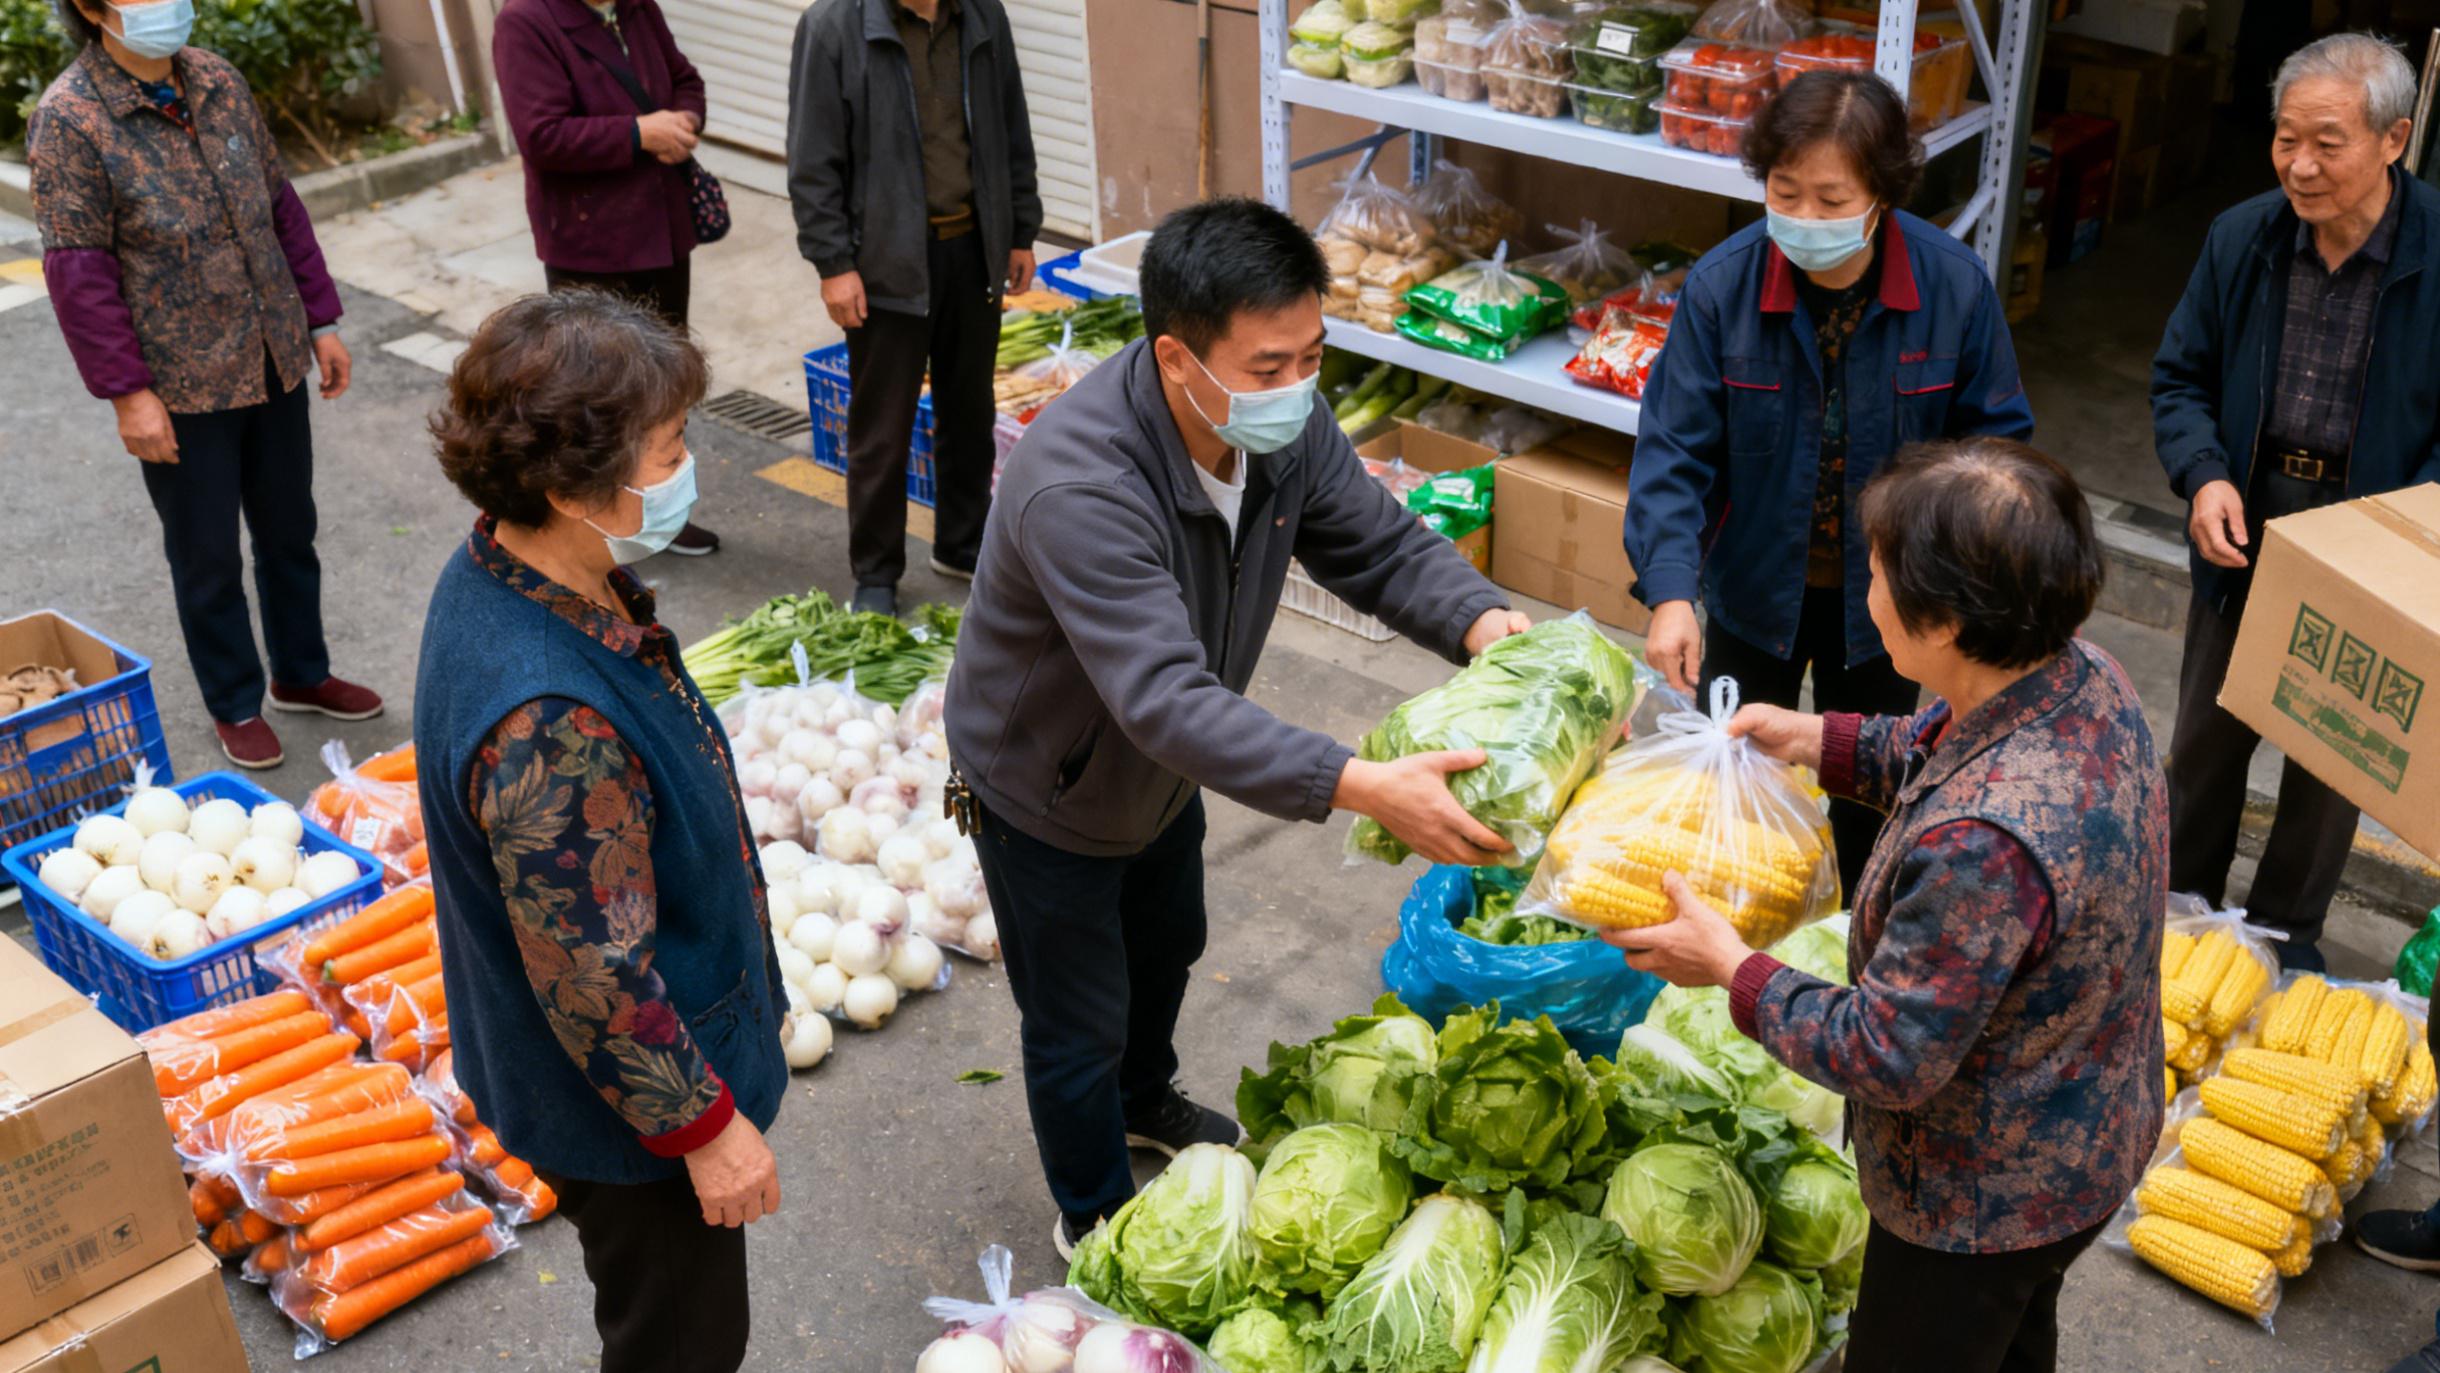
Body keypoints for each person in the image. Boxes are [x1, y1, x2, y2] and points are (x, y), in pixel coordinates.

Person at [945, 197, 1531, 1254]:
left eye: (1311, 355)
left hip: (1167, 764)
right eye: (1268, 367)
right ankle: (1092, 1214)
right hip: (1052, 783)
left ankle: (1145, 1093)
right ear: (1177, 356)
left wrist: (1486, 625)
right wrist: (1360, 781)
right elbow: (1164, 697)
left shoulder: (1280, 425)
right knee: (1074, 1018)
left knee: (1168, 943)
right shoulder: (1081, 482)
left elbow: (1381, 546)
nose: (1297, 388)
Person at [1606, 439, 2165, 1373]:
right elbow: (1939, 747)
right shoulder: (2079, 674)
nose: (1865, 592)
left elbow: (1884, 1052)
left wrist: (1731, 966)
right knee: (2015, 1335)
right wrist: (1811, 736)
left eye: (1873, 575)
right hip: (2090, 1135)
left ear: (1942, 620)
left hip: (1982, 1198)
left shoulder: (1984, 845)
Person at [417, 292, 786, 1373]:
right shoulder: (550, 724)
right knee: (679, 1338)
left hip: (590, 1077)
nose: (685, 464)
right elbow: (593, 973)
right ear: (568, 484)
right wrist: (704, 1132)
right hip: (628, 1124)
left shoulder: (507, 562)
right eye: (668, 447)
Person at [1625, 70, 2033, 899]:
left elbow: (1997, 451)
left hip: (1886, 612)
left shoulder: (1953, 288)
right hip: (1749, 595)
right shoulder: (1722, 288)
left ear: (1882, 194)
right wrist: (1670, 591)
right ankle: (1729, 962)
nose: (1803, 219)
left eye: (1830, 198)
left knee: (1870, 798)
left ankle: (1853, 954)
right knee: (1729, 794)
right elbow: (1673, 451)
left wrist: (1964, 593)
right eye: (1785, 193)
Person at [2153, 32, 2440, 977]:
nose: (2300, 166)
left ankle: (2283, 945)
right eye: (2285, 140)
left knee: (2336, 765)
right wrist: (2205, 475)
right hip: (2248, 514)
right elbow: (2181, 376)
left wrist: (2398, 540)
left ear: (2394, 139)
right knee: (2203, 743)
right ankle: (2177, 920)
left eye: (2328, 142)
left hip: (2372, 537)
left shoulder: (2438, 257)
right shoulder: (2244, 236)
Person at [30, 0, 382, 769]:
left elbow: (278, 204)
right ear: (91, 8)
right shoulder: (71, 119)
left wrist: (319, 320)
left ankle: (301, 671)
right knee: (207, 553)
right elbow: (78, 273)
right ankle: (233, 699)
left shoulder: (216, 78)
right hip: (179, 383)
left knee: (291, 529)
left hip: (270, 350)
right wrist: (128, 393)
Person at [786, 0, 1042, 616]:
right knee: (882, 429)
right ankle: (875, 573)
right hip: (884, 263)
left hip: (972, 248)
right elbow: (813, 160)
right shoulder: (833, 27)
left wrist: (1020, 229)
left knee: (969, 410)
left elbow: (1011, 126)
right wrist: (834, 264)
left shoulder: (981, 15)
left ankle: (962, 543)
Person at [492, 0, 721, 557]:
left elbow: (685, 79)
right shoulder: (525, 21)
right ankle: (598, 527)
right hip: (591, 246)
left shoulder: (636, 7)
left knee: (664, 389)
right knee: (594, 399)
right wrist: (640, 134)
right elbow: (542, 136)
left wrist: (682, 120)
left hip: (661, 233)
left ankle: (659, 513)